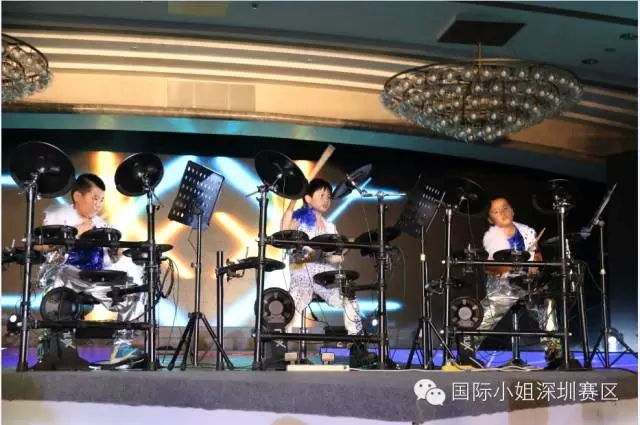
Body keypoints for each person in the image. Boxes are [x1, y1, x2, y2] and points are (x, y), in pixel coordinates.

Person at [35, 173, 146, 369]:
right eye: (94, 198)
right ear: (78, 196)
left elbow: (111, 258)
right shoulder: (59, 217)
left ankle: (121, 347)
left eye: (101, 200)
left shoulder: (102, 225)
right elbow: (40, 247)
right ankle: (56, 346)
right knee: (59, 277)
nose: (98, 204)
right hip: (68, 275)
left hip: (95, 279)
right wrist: (75, 233)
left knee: (132, 290)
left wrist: (119, 252)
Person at [458, 197, 561, 368]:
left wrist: (535, 265)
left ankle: (554, 352)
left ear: (513, 210)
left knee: (547, 304)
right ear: (491, 219)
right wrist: (513, 268)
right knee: (491, 308)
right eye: (496, 212)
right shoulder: (491, 237)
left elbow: (537, 256)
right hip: (503, 284)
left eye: (506, 208)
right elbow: (492, 268)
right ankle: (467, 350)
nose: (503, 213)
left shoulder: (527, 231)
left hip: (528, 284)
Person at [281, 178, 374, 366]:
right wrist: (292, 200)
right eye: (321, 195)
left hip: (325, 277)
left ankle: (356, 347)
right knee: (290, 304)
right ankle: (279, 347)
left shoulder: (330, 226)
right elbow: (284, 232)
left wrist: (342, 251)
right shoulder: (299, 219)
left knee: (349, 294)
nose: (326, 200)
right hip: (302, 274)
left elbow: (336, 256)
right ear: (308, 198)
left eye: (328, 197)